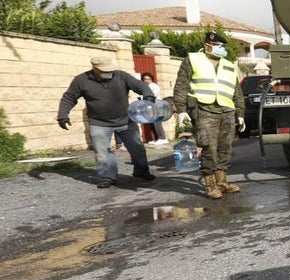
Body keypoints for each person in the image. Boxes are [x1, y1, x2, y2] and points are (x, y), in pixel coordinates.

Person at [56, 56, 157, 189]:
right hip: (99, 122)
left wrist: (148, 95)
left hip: (125, 120)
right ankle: (107, 177)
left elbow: (140, 85)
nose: (108, 72)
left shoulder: (121, 76)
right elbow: (69, 97)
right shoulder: (81, 80)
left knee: (137, 147)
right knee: (102, 151)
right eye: (104, 70)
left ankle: (141, 171)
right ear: (94, 68)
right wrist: (63, 115)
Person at [172, 31, 246, 199]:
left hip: (227, 111)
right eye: (217, 46)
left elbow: (236, 92)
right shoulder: (192, 60)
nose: (220, 49)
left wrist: (240, 113)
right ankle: (210, 186)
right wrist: (182, 110)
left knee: (225, 148)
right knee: (208, 148)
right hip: (204, 110)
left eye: (222, 46)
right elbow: (181, 86)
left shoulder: (228, 64)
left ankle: (222, 182)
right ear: (207, 45)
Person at [139, 72, 169, 146]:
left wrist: (141, 98)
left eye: (148, 79)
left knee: (157, 122)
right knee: (151, 123)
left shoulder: (154, 86)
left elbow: (151, 96)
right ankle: (156, 138)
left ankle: (163, 138)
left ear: (151, 79)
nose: (146, 81)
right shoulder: (143, 87)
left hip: (156, 106)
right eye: (145, 79)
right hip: (149, 107)